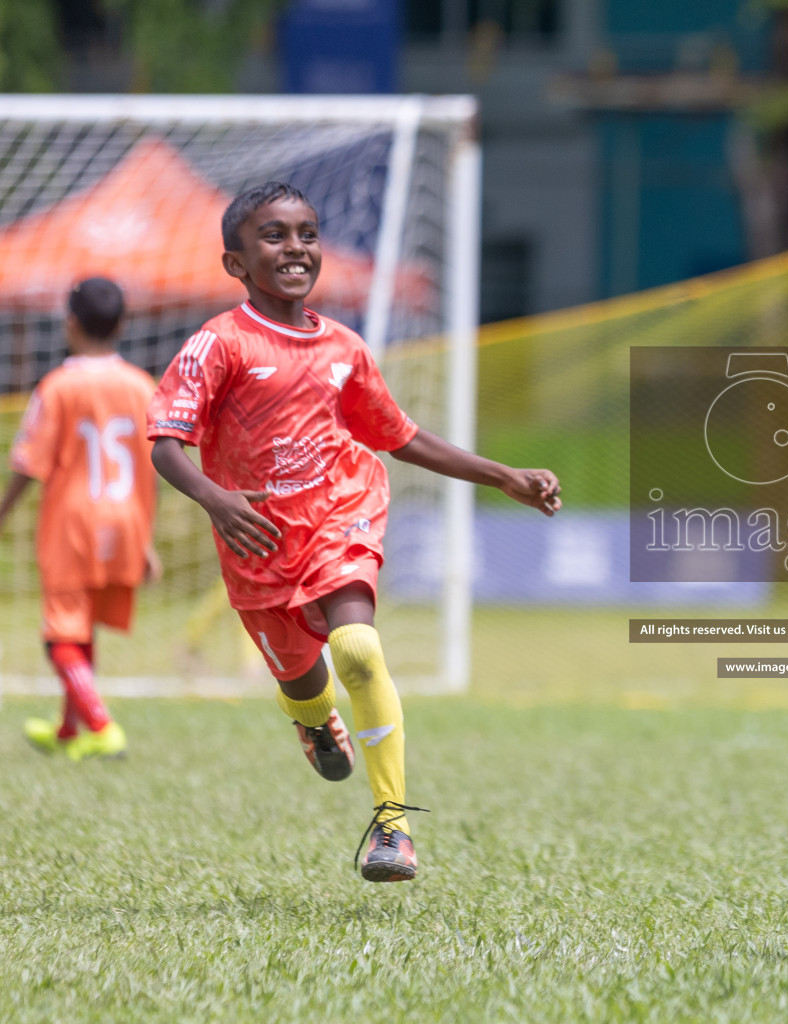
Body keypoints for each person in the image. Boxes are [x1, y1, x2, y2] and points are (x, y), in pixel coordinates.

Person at [146, 182, 561, 883]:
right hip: (258, 546)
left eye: (307, 232)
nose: (296, 247)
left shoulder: (344, 348)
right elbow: (164, 441)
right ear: (235, 263)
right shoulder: (218, 344)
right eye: (273, 236)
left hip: (343, 516)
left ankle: (392, 827)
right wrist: (216, 500)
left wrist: (502, 476)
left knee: (359, 650)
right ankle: (312, 722)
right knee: (304, 685)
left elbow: (400, 437)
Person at [0, 278, 157, 761]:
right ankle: (69, 731)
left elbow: (29, 462)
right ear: (123, 324)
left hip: (73, 523)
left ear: (69, 323)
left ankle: (101, 724)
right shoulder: (141, 385)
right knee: (82, 627)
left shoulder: (59, 386)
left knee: (60, 637)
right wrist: (145, 540)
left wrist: (3, 513)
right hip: (127, 520)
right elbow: (150, 460)